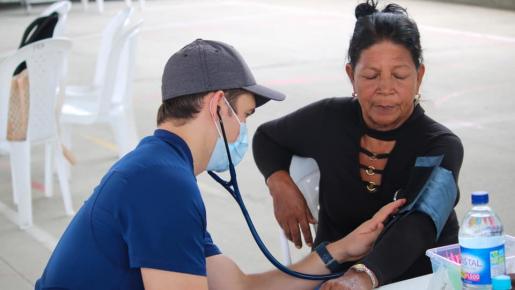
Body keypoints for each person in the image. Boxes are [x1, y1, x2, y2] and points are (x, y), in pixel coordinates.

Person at [35, 39, 405, 290]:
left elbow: (239, 286)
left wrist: (340, 250)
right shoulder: (163, 185)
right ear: (217, 107)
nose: (242, 129)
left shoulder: (160, 168)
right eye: (243, 114)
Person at [253, 1, 464, 289]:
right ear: (351, 75)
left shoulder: (440, 145)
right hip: (331, 280)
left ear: (419, 77)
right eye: (371, 76)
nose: (386, 88)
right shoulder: (329, 118)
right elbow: (267, 138)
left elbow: (419, 224)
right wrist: (279, 182)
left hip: (420, 281)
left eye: (400, 76)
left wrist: (363, 276)